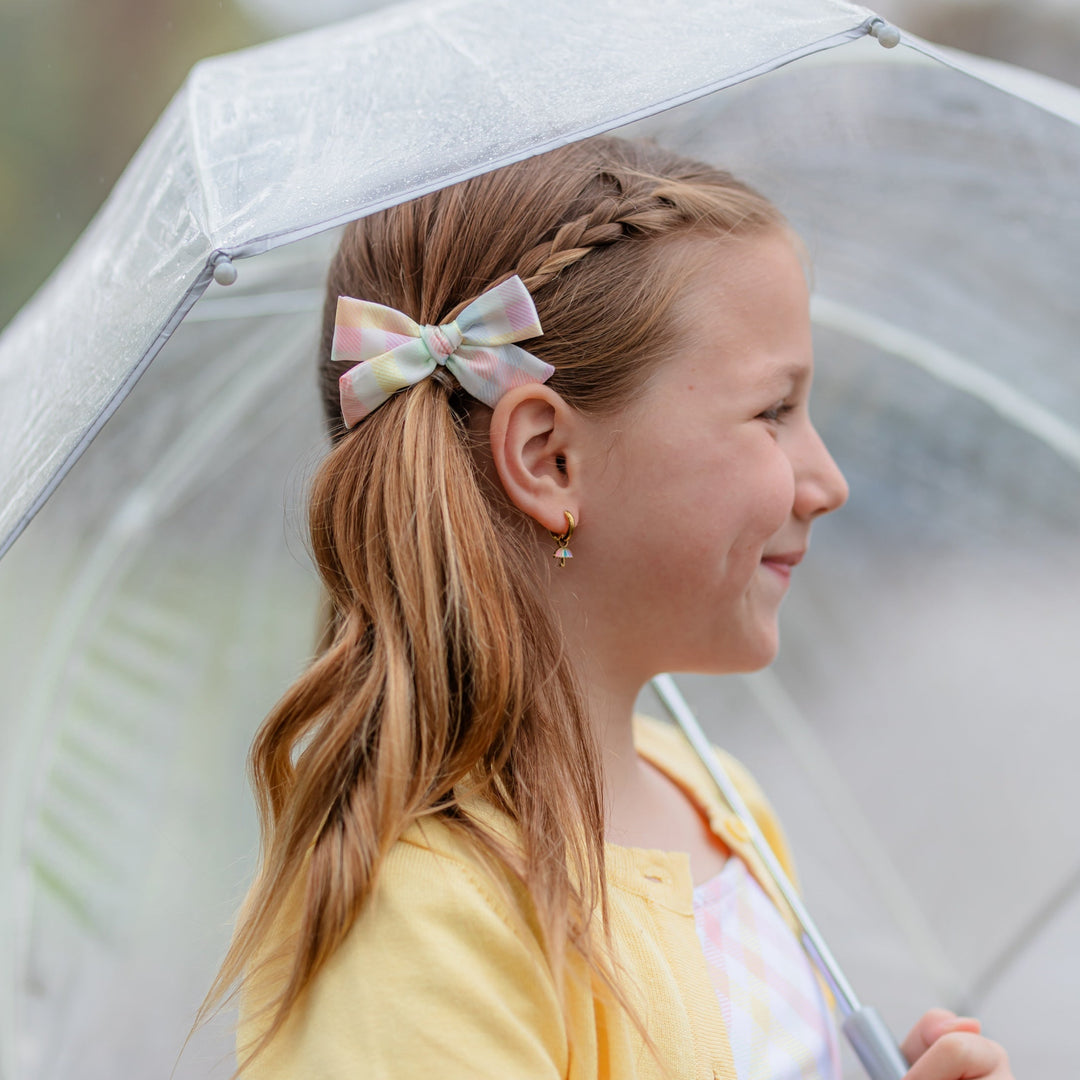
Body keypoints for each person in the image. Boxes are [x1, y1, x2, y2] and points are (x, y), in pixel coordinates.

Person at [202, 137, 1013, 1080]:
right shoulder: (418, 916)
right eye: (773, 412)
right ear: (549, 459)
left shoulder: (716, 806)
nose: (826, 480)